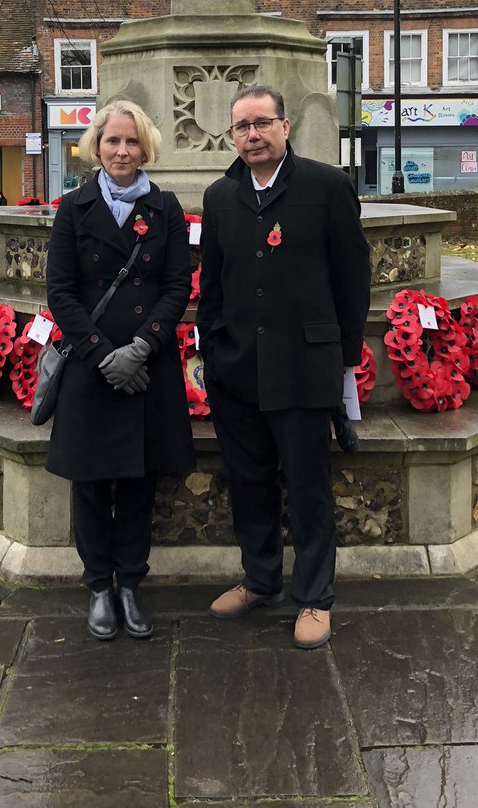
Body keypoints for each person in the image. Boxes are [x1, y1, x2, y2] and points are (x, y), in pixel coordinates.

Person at [197, 84, 370, 650]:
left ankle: (315, 597)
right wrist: (213, 349)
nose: (252, 135)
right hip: (238, 369)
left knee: (307, 485)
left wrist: (342, 361)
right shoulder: (221, 196)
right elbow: (214, 285)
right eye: (242, 127)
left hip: (304, 367)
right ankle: (260, 578)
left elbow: (352, 282)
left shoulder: (327, 187)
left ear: (285, 126)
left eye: (262, 123)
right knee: (249, 482)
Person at [45, 100, 194, 641]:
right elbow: (61, 292)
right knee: (91, 484)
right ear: (96, 145)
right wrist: (104, 354)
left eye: (132, 142)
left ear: (145, 146)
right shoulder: (72, 208)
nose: (122, 151)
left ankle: (130, 583)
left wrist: (142, 346)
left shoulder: (165, 207)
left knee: (138, 482)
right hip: (93, 367)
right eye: (113, 141)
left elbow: (176, 285)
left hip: (145, 366)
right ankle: (98, 588)